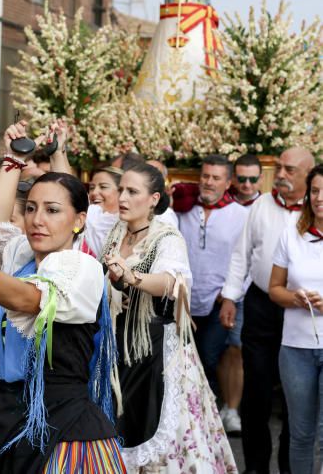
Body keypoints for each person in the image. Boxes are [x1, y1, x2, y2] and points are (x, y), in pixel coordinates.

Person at [0, 120, 126, 474]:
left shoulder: (82, 267)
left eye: (52, 211)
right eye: (31, 208)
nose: (38, 219)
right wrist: (14, 158)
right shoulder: (22, 255)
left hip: (64, 426)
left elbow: (28, 300)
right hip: (6, 415)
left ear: (78, 220)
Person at [101, 160, 236, 472]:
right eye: (121, 190)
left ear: (153, 200)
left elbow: (169, 282)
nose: (122, 198)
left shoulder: (167, 238)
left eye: (132, 192)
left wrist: (132, 277)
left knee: (163, 436)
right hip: (116, 349)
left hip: (157, 352)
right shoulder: (116, 232)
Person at [220, 146, 315, 474]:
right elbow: (241, 253)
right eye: (279, 167)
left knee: (297, 397)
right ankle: (256, 467)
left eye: (290, 170)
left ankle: (291, 468)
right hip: (261, 305)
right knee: (256, 393)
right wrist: (230, 297)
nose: (282, 175)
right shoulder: (261, 205)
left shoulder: (316, 212)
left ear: (308, 175)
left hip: (303, 312)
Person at [177, 154, 248, 403]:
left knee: (208, 356)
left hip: (219, 300)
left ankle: (209, 411)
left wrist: (231, 294)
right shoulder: (183, 210)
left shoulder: (241, 215)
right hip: (183, 301)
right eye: (205, 176)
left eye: (216, 178)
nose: (208, 182)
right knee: (183, 358)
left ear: (228, 183)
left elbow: (247, 260)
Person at [269, 163, 323, 474]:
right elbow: (275, 289)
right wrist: (297, 298)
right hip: (295, 348)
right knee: (300, 434)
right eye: (315, 191)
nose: (319, 198)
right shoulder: (291, 235)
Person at [218, 153, 263, 434]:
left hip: (249, 290)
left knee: (237, 349)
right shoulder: (224, 205)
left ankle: (233, 408)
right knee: (219, 350)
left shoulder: (265, 206)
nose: (247, 185)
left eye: (253, 179)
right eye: (242, 178)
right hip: (217, 287)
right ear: (234, 179)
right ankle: (223, 403)